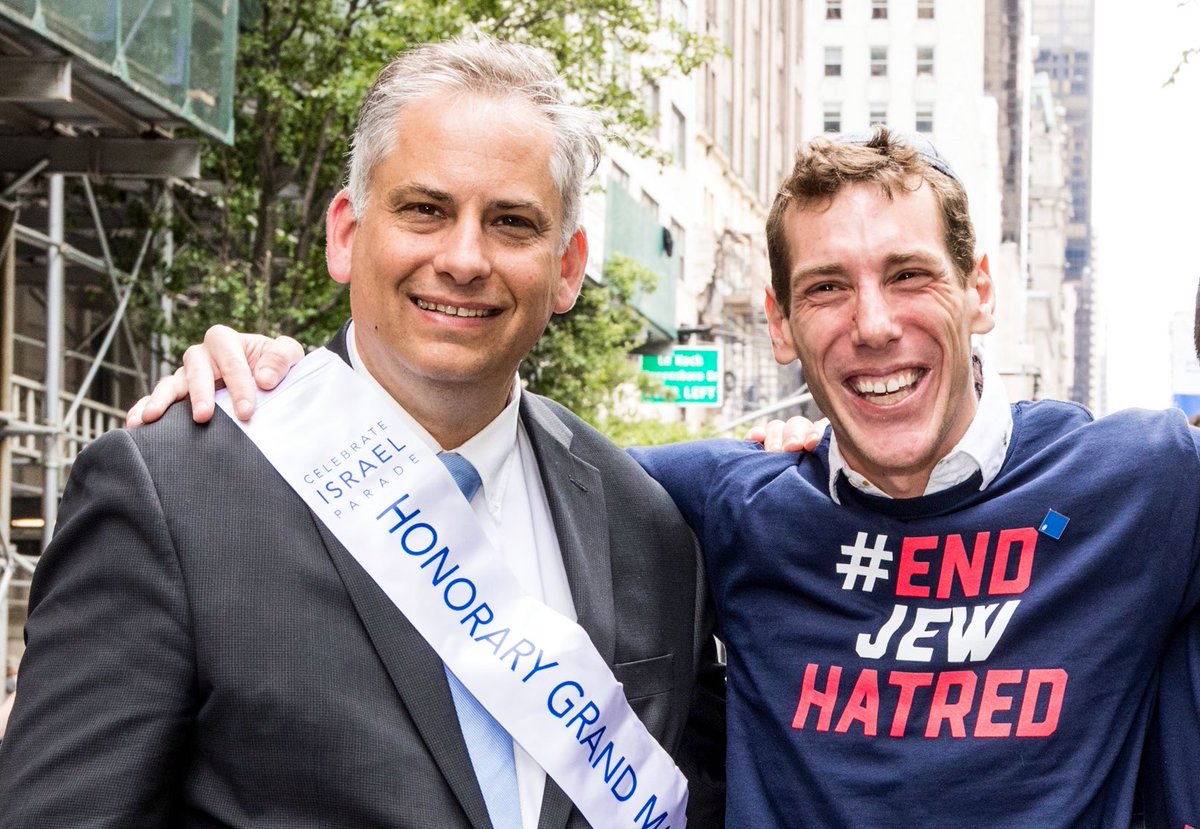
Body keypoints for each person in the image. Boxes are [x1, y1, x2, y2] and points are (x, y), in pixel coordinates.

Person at [156, 127, 1200, 827]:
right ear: (784, 327)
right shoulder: (725, 498)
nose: (874, 325)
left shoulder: (1143, 480)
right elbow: (482, 453)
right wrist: (289, 386)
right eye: (829, 288)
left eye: (911, 276)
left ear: (979, 292)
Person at [0, 36, 729, 828]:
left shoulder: (647, 524)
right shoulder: (170, 493)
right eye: (426, 209)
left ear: (567, 267)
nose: (463, 257)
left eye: (513, 222)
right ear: (346, 234)